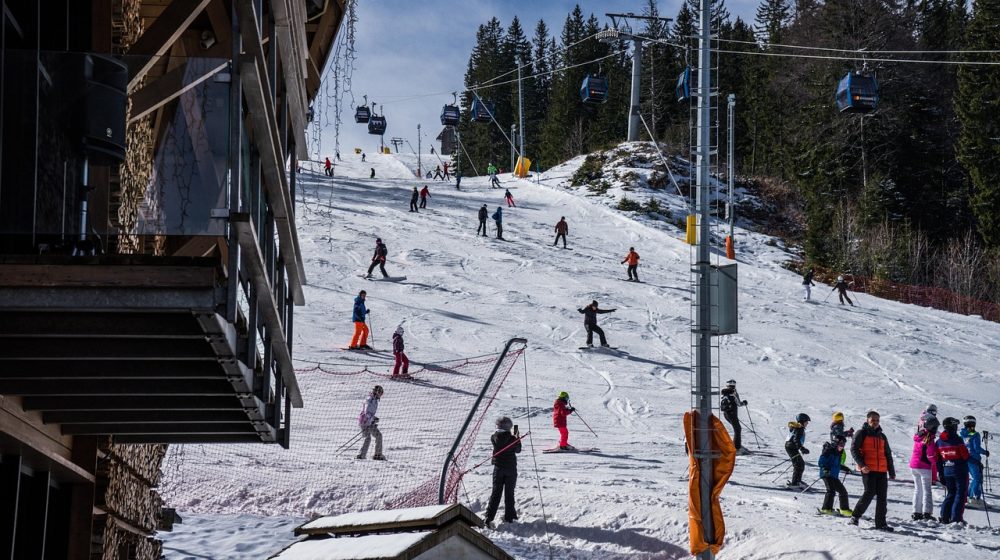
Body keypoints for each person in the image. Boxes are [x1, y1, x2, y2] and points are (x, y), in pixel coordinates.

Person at [850, 410, 896, 531]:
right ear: (867, 420)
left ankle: (881, 524)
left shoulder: (882, 436)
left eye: (877, 420)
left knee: (882, 497)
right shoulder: (861, 433)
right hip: (868, 469)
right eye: (872, 420)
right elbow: (854, 450)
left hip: (881, 470)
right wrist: (862, 465)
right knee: (869, 493)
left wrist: (891, 471)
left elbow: (887, 454)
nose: (875, 422)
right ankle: (855, 517)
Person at [484, 416, 521, 527]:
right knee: (509, 493)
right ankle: (510, 517)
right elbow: (518, 450)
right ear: (509, 427)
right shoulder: (512, 439)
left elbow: (501, 440)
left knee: (496, 493)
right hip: (510, 469)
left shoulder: (493, 437)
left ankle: (488, 518)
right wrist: (517, 437)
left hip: (498, 469)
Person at [937, 416, 971, 524]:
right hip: (959, 470)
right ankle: (956, 518)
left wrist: (941, 474)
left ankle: (944, 516)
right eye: (955, 425)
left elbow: (937, 460)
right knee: (961, 494)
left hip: (946, 471)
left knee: (951, 493)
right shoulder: (957, 440)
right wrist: (977, 463)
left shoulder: (939, 442)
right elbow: (965, 456)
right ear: (953, 426)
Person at [910, 415, 939, 521]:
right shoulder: (930, 439)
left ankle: (916, 512)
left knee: (918, 490)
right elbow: (930, 455)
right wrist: (935, 462)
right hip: (924, 467)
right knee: (927, 490)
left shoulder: (919, 435)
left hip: (914, 466)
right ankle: (927, 512)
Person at [818, 435, 853, 516]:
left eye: (844, 444)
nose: (842, 446)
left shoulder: (838, 453)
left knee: (843, 491)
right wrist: (824, 468)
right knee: (831, 490)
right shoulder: (828, 450)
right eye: (840, 443)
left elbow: (836, 465)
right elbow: (821, 461)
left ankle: (844, 509)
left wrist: (844, 468)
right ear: (835, 442)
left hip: (833, 475)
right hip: (826, 474)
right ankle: (826, 508)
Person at [960, 415, 989, 506]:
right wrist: (985, 452)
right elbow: (977, 449)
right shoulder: (975, 434)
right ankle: (973, 498)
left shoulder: (961, 434)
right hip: (974, 460)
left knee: (974, 478)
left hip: (964, 459)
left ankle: (970, 495)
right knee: (977, 478)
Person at [356, 385, 385, 460]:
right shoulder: (369, 400)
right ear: (376, 392)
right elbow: (366, 412)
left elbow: (370, 413)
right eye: (380, 393)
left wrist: (373, 418)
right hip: (364, 421)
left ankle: (378, 455)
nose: (380, 395)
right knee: (367, 438)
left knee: (379, 435)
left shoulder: (375, 400)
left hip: (370, 422)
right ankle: (361, 455)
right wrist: (372, 418)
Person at [721, 380, 749, 454]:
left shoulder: (724, 393)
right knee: (738, 429)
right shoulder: (733, 393)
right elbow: (739, 404)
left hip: (726, 414)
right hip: (732, 414)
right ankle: (736, 448)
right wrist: (744, 403)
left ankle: (736, 445)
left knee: (737, 429)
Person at [785, 413, 810, 487]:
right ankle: (795, 483)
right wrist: (802, 448)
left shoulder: (797, 427)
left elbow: (795, 439)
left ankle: (797, 481)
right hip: (791, 447)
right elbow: (796, 440)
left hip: (790, 446)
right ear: (802, 421)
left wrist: (800, 448)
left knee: (799, 464)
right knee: (799, 464)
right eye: (806, 421)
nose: (807, 423)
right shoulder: (799, 428)